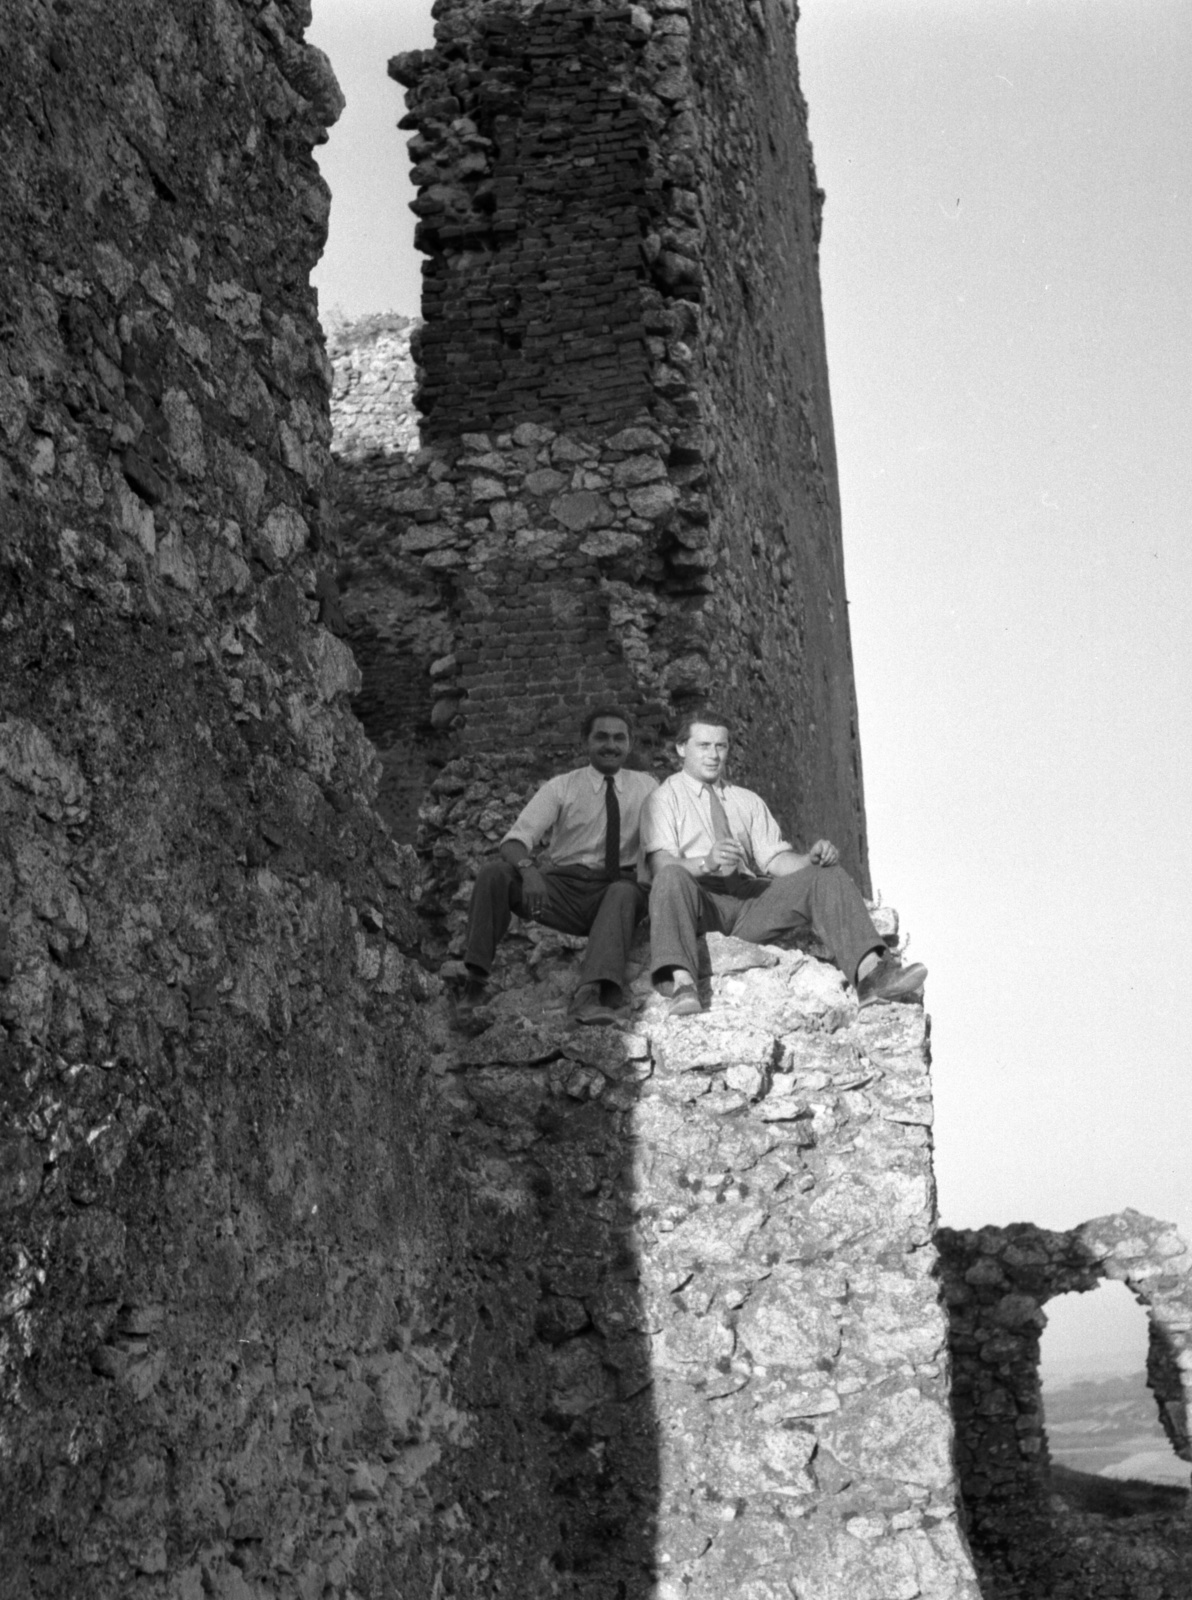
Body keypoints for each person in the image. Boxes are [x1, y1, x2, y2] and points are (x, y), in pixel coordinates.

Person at [641, 713, 926, 1018]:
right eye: (704, 745)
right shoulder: (662, 799)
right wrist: (706, 862)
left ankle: (871, 977)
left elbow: (774, 860)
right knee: (671, 877)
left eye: (721, 746)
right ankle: (683, 985)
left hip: (748, 901)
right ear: (681, 748)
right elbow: (660, 865)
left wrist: (809, 860)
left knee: (825, 875)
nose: (713, 755)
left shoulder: (746, 800)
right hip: (701, 900)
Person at [457, 707, 658, 1025]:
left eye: (619, 738)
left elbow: (666, 837)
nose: (611, 745)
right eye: (601, 737)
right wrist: (529, 870)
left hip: (617, 891)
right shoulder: (561, 787)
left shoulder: (646, 787)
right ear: (585, 742)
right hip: (563, 890)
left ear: (629, 744)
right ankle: (475, 982)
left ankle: (590, 996)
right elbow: (513, 842)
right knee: (494, 874)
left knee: (623, 891)